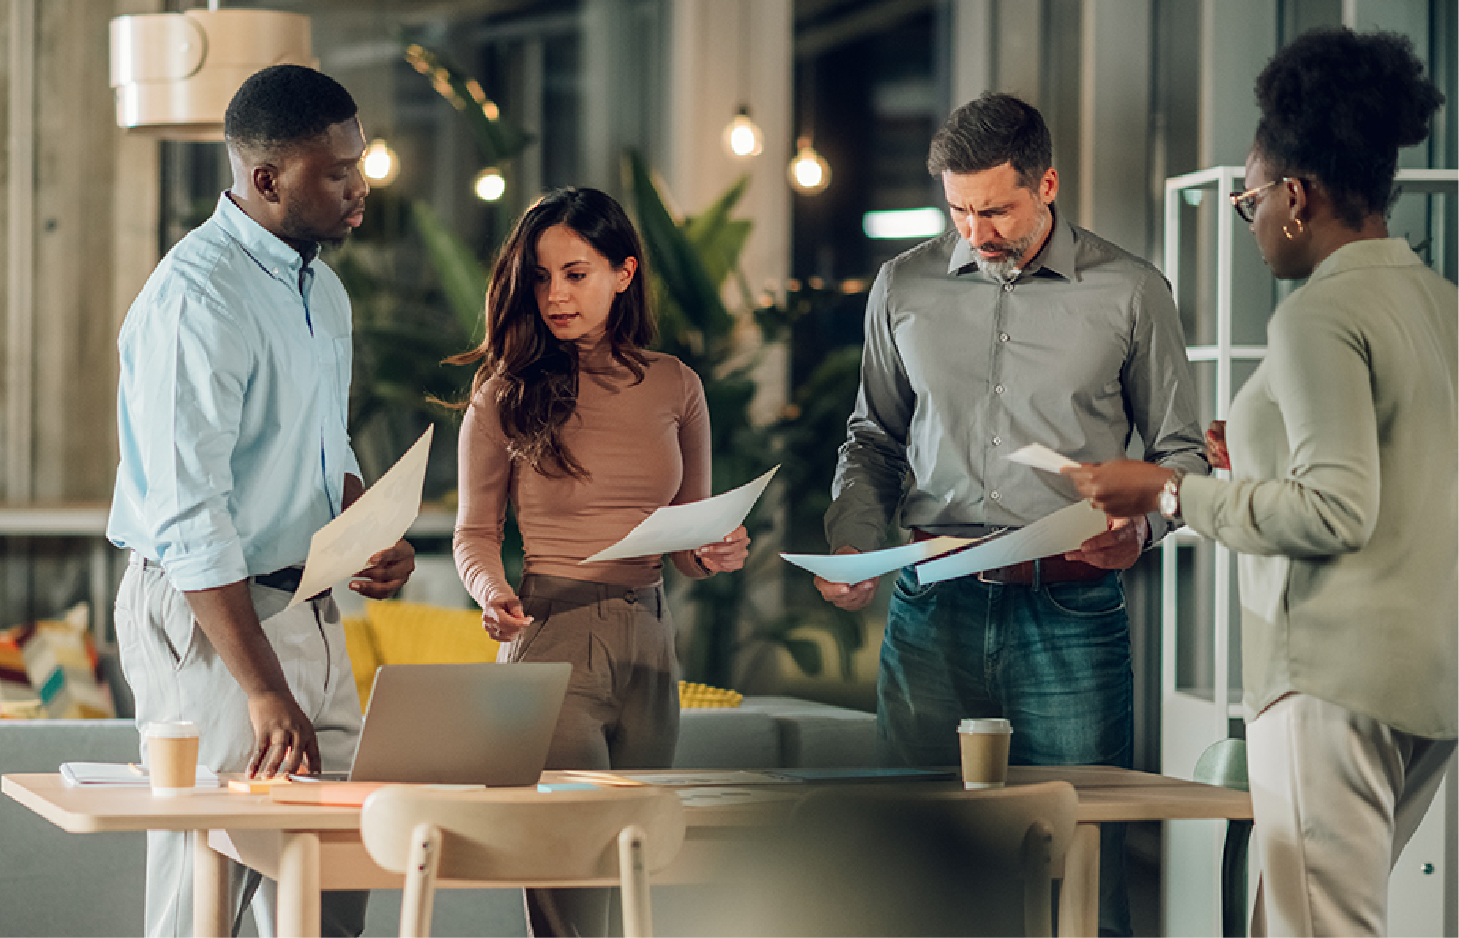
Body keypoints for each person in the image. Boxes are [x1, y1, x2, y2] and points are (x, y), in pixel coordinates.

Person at [1062, 27, 1455, 937]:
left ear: (1295, 196)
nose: (1249, 224)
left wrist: (1163, 490)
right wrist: (1254, 464)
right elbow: (1409, 477)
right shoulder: (1439, 305)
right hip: (1429, 677)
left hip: (1331, 677)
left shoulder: (1316, 316)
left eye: (1248, 200)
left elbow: (1335, 510)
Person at [815, 91, 1207, 936]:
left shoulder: (1131, 291)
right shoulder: (903, 284)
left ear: (1048, 185)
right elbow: (872, 437)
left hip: (1069, 611)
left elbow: (1182, 454)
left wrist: (1140, 528)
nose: (976, 231)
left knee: (1077, 871)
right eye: (958, 209)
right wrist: (852, 536)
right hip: (927, 608)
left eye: (995, 209)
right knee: (908, 867)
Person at [106, 64, 415, 938]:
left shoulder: (325, 291)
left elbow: (322, 451)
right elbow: (189, 518)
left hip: (308, 607)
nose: (360, 186)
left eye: (361, 164)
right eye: (337, 171)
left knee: (331, 877)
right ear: (267, 178)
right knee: (202, 891)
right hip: (210, 623)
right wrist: (262, 688)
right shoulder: (194, 300)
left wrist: (368, 533)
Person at [451, 186, 750, 935]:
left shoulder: (675, 384)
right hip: (550, 638)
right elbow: (473, 532)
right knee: (570, 893)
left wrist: (716, 549)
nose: (554, 295)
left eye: (574, 273)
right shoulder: (502, 393)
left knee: (631, 872)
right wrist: (490, 593)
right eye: (541, 277)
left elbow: (687, 544)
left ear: (623, 273)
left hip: (650, 643)